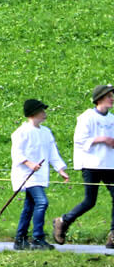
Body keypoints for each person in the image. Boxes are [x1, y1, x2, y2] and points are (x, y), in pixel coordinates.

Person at [54, 84, 114, 249]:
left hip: (110, 164)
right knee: (90, 201)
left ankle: (113, 234)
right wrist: (101, 139)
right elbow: (80, 140)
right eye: (109, 96)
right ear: (100, 98)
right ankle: (63, 221)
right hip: (91, 163)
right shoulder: (87, 117)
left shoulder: (112, 119)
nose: (112, 99)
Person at [12, 97, 71, 250]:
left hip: (40, 176)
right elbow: (17, 153)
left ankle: (20, 238)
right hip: (27, 176)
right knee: (42, 202)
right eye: (41, 111)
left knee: (29, 207)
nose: (45, 113)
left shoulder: (46, 132)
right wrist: (29, 163)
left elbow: (52, 153)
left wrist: (60, 169)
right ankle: (38, 238)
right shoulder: (21, 132)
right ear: (33, 113)